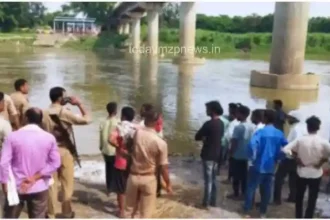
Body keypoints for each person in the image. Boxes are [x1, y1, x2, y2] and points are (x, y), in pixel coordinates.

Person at [0, 108, 60, 218]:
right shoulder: (49, 138)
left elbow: (3, 163)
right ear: (40, 121)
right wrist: (35, 177)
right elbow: (55, 163)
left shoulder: (12, 136)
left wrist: (4, 183)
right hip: (39, 186)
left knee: (10, 216)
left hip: (16, 186)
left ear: (26, 118)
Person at [42, 87, 92, 218]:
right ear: (60, 98)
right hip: (64, 151)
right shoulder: (65, 112)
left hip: (48, 152)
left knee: (51, 185)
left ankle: (51, 213)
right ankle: (66, 212)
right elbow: (87, 119)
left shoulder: (43, 112)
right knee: (67, 184)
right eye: (65, 96)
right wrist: (79, 104)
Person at [125, 110, 172, 218]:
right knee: (146, 214)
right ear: (157, 122)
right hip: (149, 178)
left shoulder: (137, 134)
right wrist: (168, 184)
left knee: (129, 211)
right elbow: (164, 167)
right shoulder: (161, 143)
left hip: (133, 177)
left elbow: (128, 146)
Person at [282, 116, 330, 218]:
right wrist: (323, 161)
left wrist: (295, 157)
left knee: (299, 197)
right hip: (316, 173)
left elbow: (285, 149)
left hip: (302, 172)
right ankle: (308, 217)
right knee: (312, 199)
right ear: (318, 128)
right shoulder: (323, 142)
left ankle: (298, 217)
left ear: (307, 127)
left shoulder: (301, 140)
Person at [244, 110, 288, 218]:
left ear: (265, 119)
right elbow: (287, 148)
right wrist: (279, 158)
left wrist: (251, 158)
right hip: (271, 166)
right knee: (267, 190)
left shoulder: (260, 132)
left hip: (258, 164)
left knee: (251, 187)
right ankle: (263, 212)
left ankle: (247, 209)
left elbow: (251, 145)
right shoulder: (279, 133)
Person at [273, 111, 307, 205]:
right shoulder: (304, 128)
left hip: (291, 157)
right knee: (294, 178)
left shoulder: (295, 129)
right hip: (300, 158)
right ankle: (293, 197)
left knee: (279, 177)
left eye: (289, 118)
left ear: (295, 118)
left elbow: (291, 144)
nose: (287, 120)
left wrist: (288, 153)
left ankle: (277, 199)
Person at [195, 101, 224, 208]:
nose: (206, 111)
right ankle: (213, 201)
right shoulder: (221, 123)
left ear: (213, 110)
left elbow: (197, 136)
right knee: (214, 179)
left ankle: (205, 203)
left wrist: (204, 138)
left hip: (207, 154)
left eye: (207, 109)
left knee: (208, 181)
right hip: (217, 154)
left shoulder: (208, 124)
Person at [109, 106, 136, 218]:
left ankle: (122, 212)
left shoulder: (119, 127)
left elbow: (110, 139)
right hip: (133, 162)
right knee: (131, 187)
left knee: (121, 189)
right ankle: (131, 209)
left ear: (123, 116)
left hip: (120, 162)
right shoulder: (136, 128)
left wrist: (119, 147)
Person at [227, 105, 254, 200]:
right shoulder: (252, 127)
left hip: (237, 155)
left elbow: (234, 142)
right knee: (245, 176)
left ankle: (236, 194)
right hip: (247, 156)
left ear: (242, 114)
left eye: (237, 113)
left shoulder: (238, 127)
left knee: (236, 176)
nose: (236, 115)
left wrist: (230, 153)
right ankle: (244, 194)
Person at [99, 102, 119, 195]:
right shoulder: (117, 122)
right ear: (116, 110)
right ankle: (113, 187)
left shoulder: (103, 121)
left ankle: (109, 188)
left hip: (105, 149)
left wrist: (101, 147)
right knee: (115, 169)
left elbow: (100, 136)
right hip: (114, 149)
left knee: (108, 168)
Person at [223, 103, 240, 184]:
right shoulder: (243, 123)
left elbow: (228, 136)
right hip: (240, 147)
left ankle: (230, 179)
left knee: (232, 164)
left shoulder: (233, 123)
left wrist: (229, 146)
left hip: (232, 145)